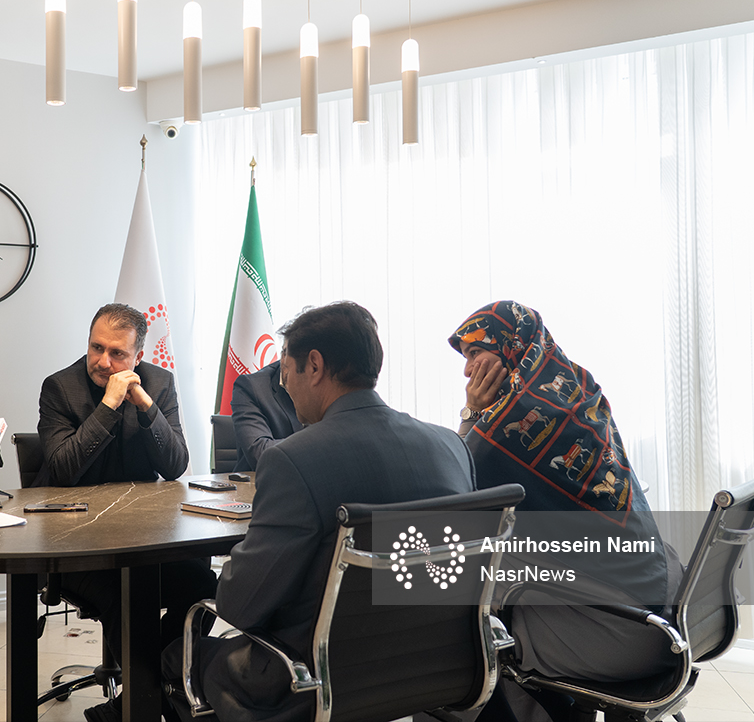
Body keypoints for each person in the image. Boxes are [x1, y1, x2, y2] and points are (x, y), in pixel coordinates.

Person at [167, 301, 476, 722]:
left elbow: (240, 606)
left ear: (314, 366)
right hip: (432, 668)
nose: (286, 386)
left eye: (287, 372)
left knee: (177, 658)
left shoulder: (294, 460)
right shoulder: (451, 447)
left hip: (312, 681)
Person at [449, 300, 683, 721]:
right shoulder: (580, 389)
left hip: (626, 631)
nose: (468, 371)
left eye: (475, 352)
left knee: (475, 628)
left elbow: (455, 487)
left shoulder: (503, 428)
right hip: (669, 605)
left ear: (509, 348)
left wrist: (471, 414)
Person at [37, 302, 217, 722]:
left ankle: (136, 700)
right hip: (76, 545)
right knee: (126, 595)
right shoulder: (60, 388)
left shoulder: (159, 383)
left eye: (117, 353)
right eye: (96, 348)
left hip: (144, 539)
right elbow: (62, 469)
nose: (103, 361)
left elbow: (175, 465)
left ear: (138, 356)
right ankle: (157, 701)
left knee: (203, 586)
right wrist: (109, 405)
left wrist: (146, 407)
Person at [229, 360, 302, 471]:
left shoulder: (326, 381)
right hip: (261, 479)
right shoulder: (251, 386)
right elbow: (259, 453)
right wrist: (319, 443)